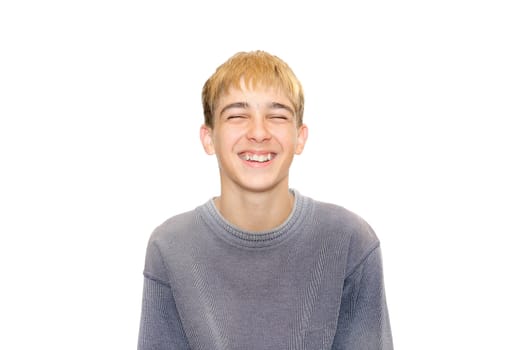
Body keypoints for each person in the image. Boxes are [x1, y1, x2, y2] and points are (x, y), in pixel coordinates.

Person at [137, 50, 393, 349]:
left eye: (277, 116)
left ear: (300, 137)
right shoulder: (170, 246)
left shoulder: (349, 240)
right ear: (209, 138)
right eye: (237, 116)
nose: (258, 132)